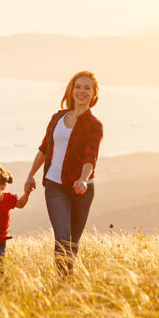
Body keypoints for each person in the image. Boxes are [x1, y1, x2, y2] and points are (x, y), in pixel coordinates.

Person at [23, 71, 103, 275]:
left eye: (87, 88)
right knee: (62, 237)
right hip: (54, 186)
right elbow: (43, 148)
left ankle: (66, 283)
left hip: (81, 190)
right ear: (71, 89)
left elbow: (90, 156)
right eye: (78, 86)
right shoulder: (57, 117)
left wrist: (83, 180)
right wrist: (31, 175)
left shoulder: (94, 125)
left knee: (73, 243)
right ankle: (63, 281)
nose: (81, 91)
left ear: (94, 93)